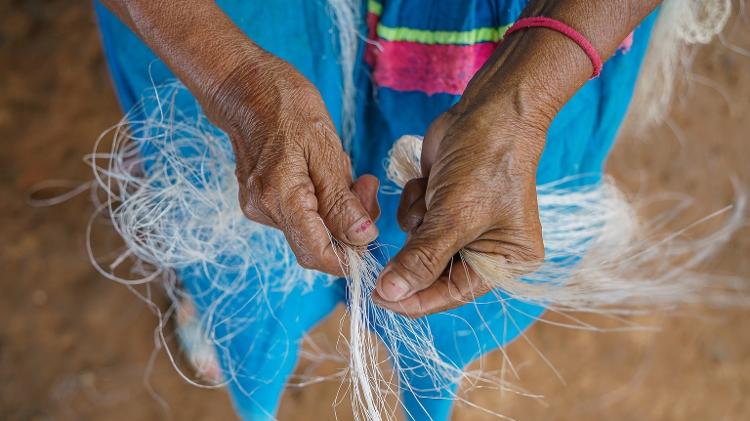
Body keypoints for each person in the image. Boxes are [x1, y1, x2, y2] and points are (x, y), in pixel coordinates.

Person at [95, 0, 660, 419]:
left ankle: (434, 368)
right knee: (254, 233)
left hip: (518, 30)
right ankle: (241, 329)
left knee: (458, 268)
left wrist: (524, 99)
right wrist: (233, 80)